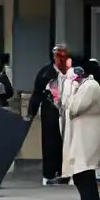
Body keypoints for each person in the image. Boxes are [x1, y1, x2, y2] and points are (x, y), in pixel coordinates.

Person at [56, 55, 100, 200]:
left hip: (88, 139)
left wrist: (70, 86)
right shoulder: (81, 85)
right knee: (81, 178)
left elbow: (74, 108)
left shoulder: (91, 86)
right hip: (79, 138)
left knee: (84, 178)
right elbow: (64, 106)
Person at [31, 46, 70, 183]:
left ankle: (65, 171)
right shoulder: (45, 73)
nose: (61, 59)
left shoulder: (70, 72)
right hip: (50, 111)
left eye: (63, 56)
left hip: (68, 111)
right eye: (58, 56)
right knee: (50, 142)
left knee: (67, 142)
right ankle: (49, 173)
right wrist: (32, 112)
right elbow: (36, 94)